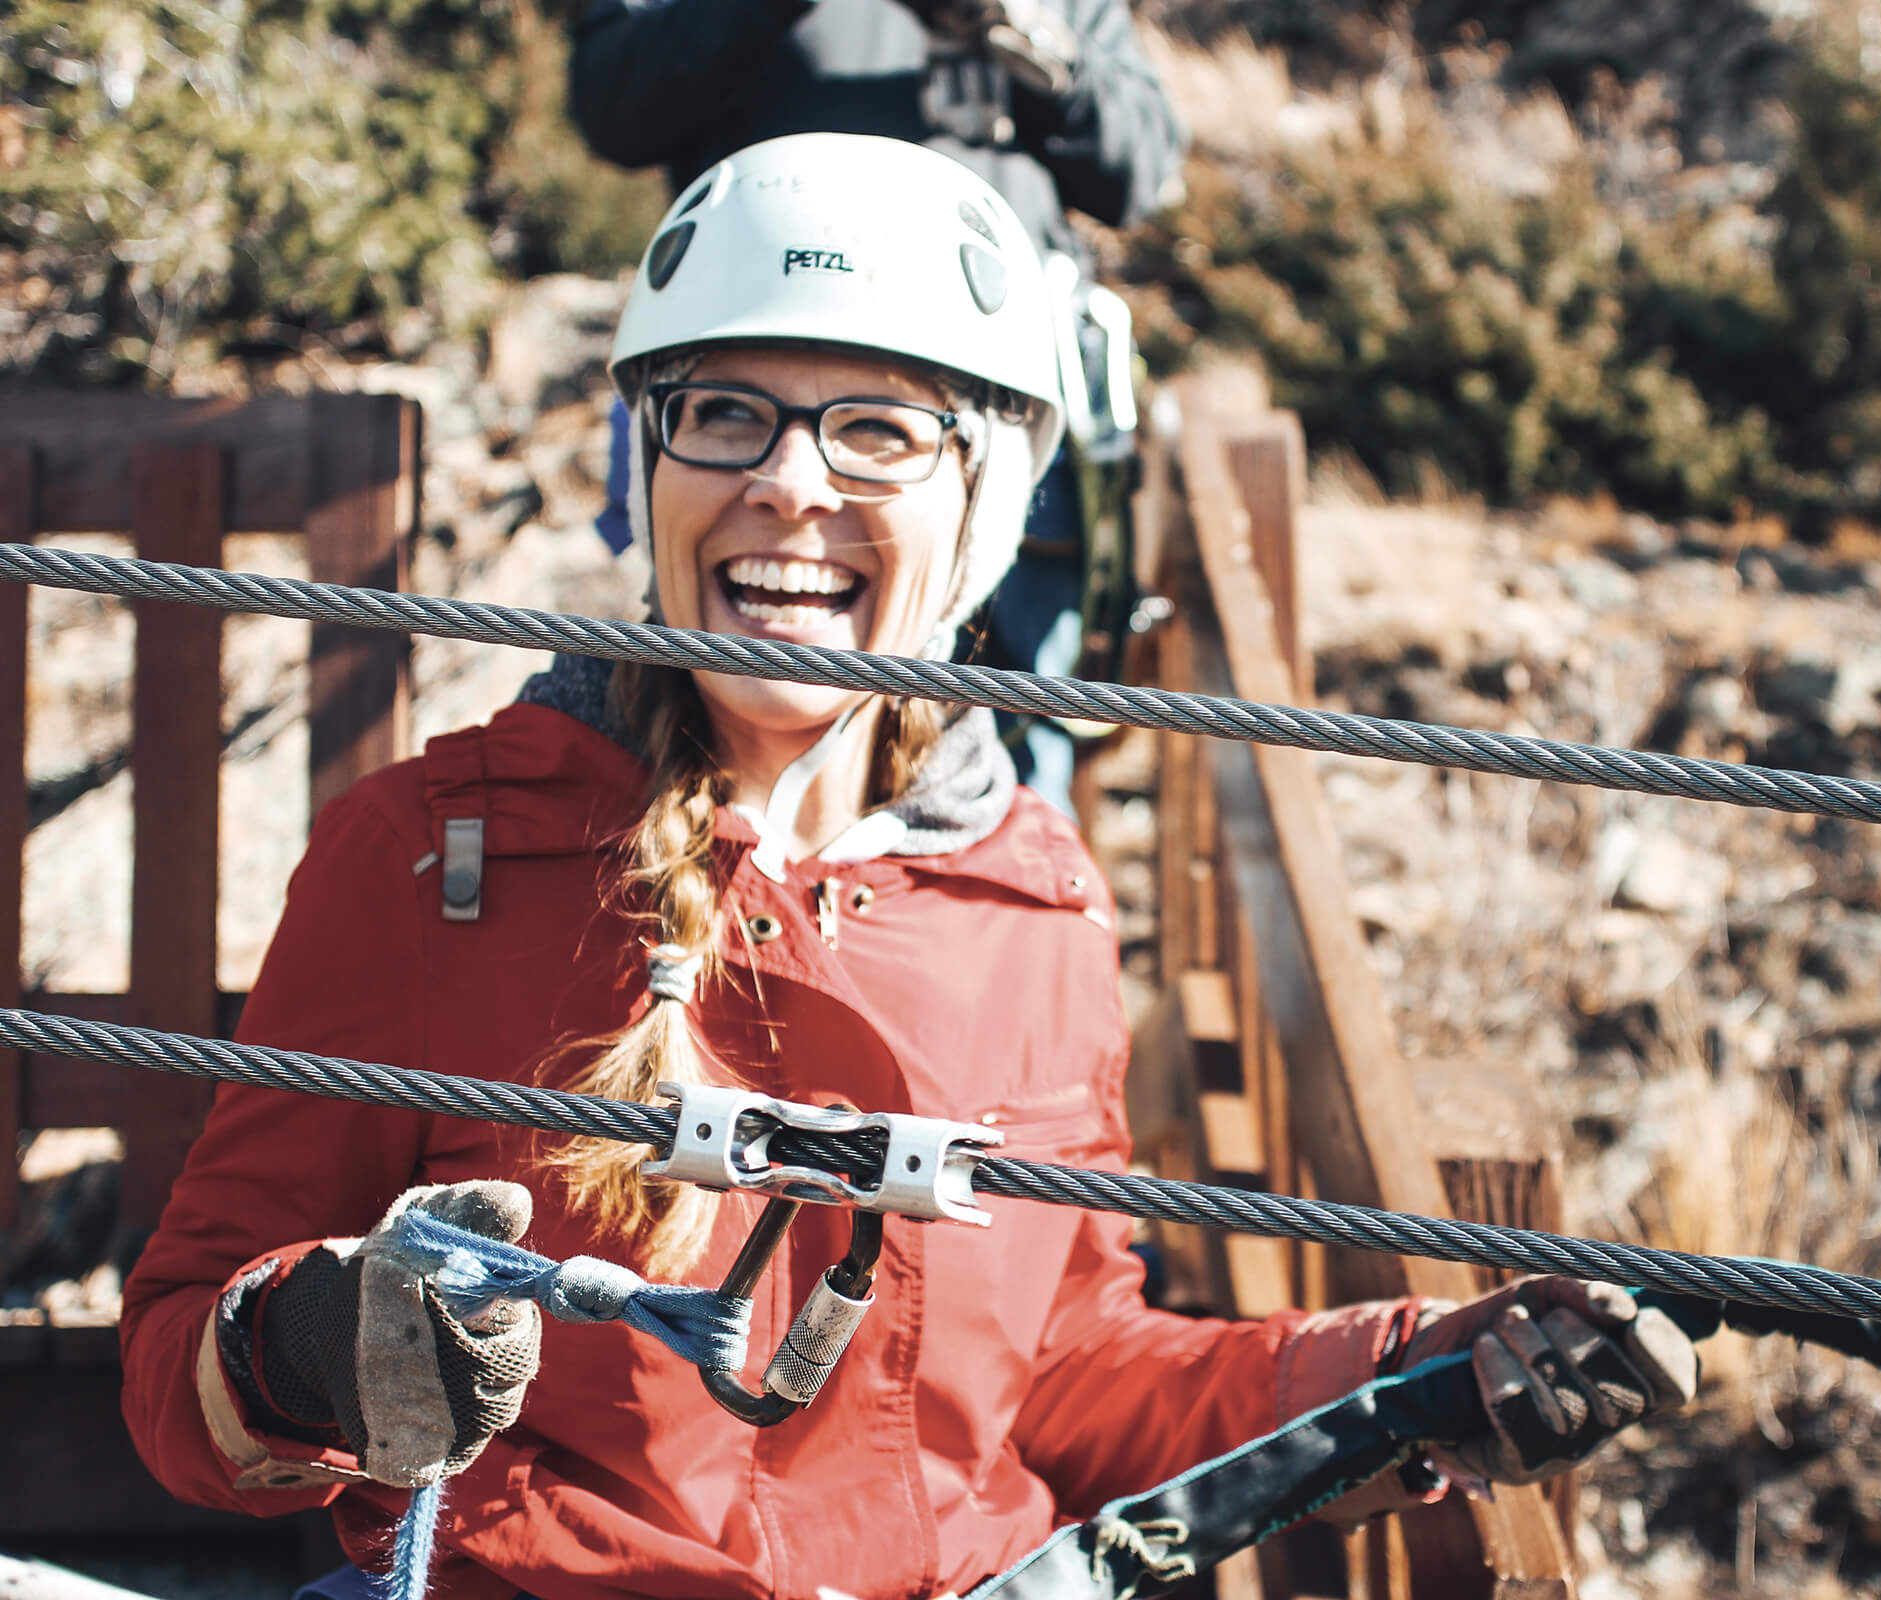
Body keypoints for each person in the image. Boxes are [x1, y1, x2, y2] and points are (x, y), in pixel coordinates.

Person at [118, 137, 1697, 1600]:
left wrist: (1408, 1371)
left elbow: (1071, 1369)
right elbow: (178, 1368)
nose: (791, 483)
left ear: (982, 510)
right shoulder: (427, 854)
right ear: (648, 463)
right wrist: (310, 1345)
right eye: (724, 412)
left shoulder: (1037, 893)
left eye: (879, 429)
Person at [568, 0, 1185, 819]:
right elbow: (615, 105)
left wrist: (1024, 34)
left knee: (1016, 745)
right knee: (727, 723)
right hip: (745, 407)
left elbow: (1138, 168)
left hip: (994, 427)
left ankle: (1005, 925)